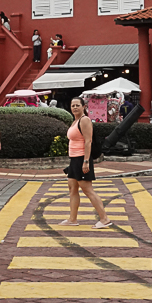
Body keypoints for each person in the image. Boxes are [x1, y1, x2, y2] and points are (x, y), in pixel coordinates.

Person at [57, 97, 112, 229]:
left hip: (82, 159)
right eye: (73, 105)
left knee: (88, 190)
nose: (75, 108)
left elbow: (88, 141)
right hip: (74, 159)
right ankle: (72, 219)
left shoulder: (84, 120)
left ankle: (104, 219)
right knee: (72, 189)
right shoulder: (75, 121)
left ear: (83, 107)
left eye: (77, 105)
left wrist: (86, 161)